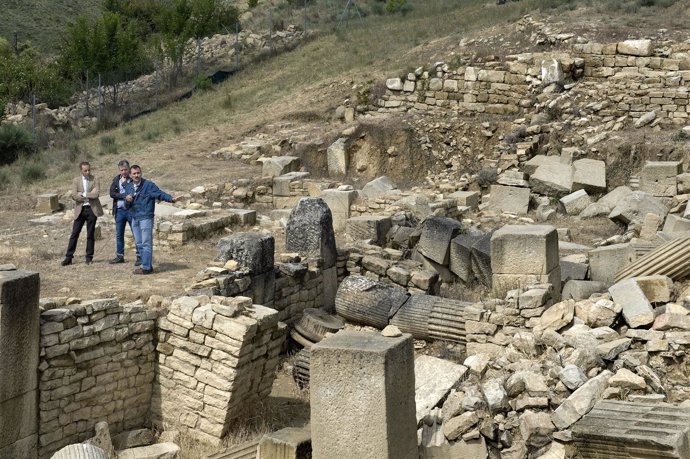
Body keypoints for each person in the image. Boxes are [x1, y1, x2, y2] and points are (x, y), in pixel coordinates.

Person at [125, 165, 181, 275]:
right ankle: (146, 265)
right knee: (139, 243)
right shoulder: (128, 187)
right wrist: (127, 200)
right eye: (134, 174)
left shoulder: (148, 185)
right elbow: (126, 204)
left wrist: (171, 199)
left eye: (138, 173)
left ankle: (146, 268)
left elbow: (160, 194)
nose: (136, 175)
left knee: (146, 243)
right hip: (134, 218)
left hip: (146, 217)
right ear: (130, 175)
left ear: (141, 173)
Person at [61, 161, 104, 266]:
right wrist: (89, 194)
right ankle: (69, 257)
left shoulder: (95, 179)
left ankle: (89, 257)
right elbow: (74, 196)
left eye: (89, 170)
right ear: (81, 170)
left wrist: (84, 194)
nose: (88, 172)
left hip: (92, 209)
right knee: (74, 234)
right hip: (80, 210)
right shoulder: (76, 180)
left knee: (90, 234)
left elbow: (96, 194)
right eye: (85, 170)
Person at [108, 159, 140, 266]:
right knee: (119, 234)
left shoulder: (133, 179)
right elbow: (112, 193)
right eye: (121, 170)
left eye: (125, 170)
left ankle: (139, 256)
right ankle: (120, 256)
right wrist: (123, 196)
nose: (123, 172)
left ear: (129, 169)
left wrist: (125, 186)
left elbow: (132, 192)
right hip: (119, 211)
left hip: (131, 210)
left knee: (136, 233)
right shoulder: (116, 179)